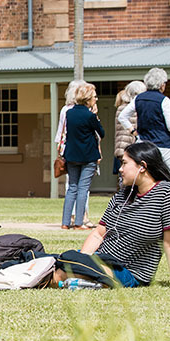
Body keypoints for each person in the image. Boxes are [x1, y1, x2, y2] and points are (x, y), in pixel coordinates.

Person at [53, 141, 170, 288]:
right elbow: (98, 234)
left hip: (129, 271)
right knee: (51, 263)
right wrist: (81, 260)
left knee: (60, 273)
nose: (120, 169)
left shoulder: (169, 194)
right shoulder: (123, 195)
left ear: (142, 166)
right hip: (99, 260)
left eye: (124, 163)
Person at [61, 82, 104, 230]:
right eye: (94, 97)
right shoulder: (89, 115)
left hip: (71, 155)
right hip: (88, 156)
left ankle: (65, 222)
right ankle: (79, 222)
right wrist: (95, 116)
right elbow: (101, 133)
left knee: (72, 187)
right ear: (87, 99)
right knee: (83, 189)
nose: (96, 99)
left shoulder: (69, 113)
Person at [118, 67, 170, 172]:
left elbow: (122, 116)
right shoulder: (164, 100)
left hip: (144, 144)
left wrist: (133, 131)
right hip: (164, 144)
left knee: (146, 175)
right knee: (166, 177)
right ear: (162, 85)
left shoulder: (139, 98)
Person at [113, 80, 146, 182]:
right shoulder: (133, 108)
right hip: (129, 146)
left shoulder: (121, 108)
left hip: (122, 146)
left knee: (125, 175)